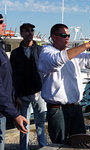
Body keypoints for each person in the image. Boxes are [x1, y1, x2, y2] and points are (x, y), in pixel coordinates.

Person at [38, 23, 90, 144]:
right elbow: (57, 60)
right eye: (63, 35)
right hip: (57, 109)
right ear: (53, 36)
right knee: (60, 144)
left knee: (80, 142)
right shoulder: (47, 52)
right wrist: (87, 45)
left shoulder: (72, 53)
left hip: (76, 107)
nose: (67, 38)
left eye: (68, 35)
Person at [10, 23, 47, 149]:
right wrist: (16, 96)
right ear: (21, 33)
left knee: (40, 123)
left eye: (32, 30)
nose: (30, 33)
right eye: (26, 31)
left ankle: (43, 146)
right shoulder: (15, 53)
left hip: (39, 93)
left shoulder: (41, 50)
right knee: (23, 124)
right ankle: (23, 148)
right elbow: (13, 76)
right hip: (23, 95)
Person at [0, 14, 29, 150]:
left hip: (5, 107)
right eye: (1, 22)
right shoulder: (14, 52)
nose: (4, 25)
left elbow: (6, 78)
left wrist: (13, 97)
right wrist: (15, 114)